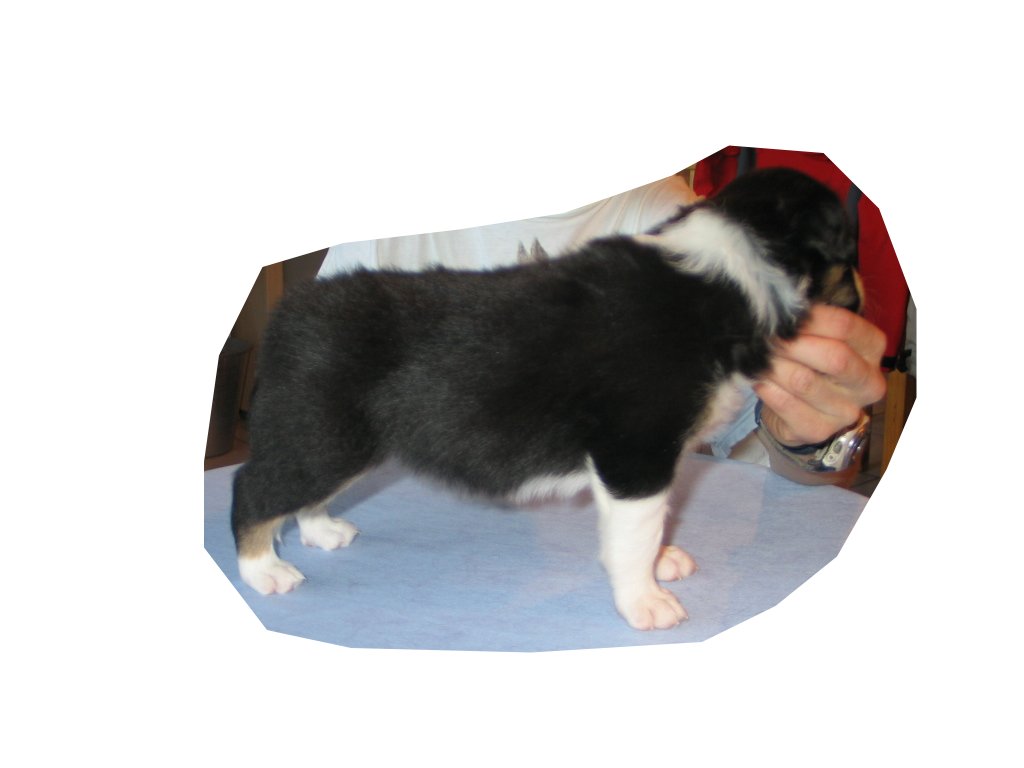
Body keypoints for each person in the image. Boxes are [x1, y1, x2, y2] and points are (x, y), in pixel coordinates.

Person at [319, 172, 887, 487]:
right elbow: (316, 396)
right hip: (401, 542)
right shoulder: (385, 217)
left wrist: (816, 437)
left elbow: (786, 455)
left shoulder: (679, 225)